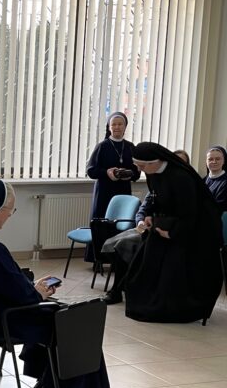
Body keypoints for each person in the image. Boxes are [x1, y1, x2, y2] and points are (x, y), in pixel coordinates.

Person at [0, 177, 110, 388]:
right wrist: (36, 293)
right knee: (76, 321)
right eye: (10, 209)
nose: (10, 215)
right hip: (4, 321)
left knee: (60, 312)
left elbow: (4, 283)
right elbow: (21, 295)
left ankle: (46, 381)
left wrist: (32, 287)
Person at [124, 142, 223, 323]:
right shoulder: (152, 173)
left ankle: (174, 309)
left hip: (195, 230)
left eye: (142, 165)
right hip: (168, 224)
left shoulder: (181, 177)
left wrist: (172, 233)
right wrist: (149, 216)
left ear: (155, 162)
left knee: (173, 269)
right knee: (144, 263)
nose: (139, 169)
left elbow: (190, 213)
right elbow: (156, 200)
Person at [85, 113, 139, 260]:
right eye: (113, 124)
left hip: (123, 191)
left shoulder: (130, 147)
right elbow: (91, 170)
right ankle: (98, 259)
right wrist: (107, 173)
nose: (117, 127)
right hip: (104, 191)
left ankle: (118, 259)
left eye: (120, 124)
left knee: (121, 223)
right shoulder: (102, 146)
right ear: (109, 127)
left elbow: (137, 172)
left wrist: (129, 174)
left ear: (125, 127)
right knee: (102, 223)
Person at [205, 146, 227, 213]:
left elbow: (219, 206)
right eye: (210, 159)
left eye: (218, 159)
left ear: (223, 161)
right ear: (206, 162)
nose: (214, 162)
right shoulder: (202, 180)